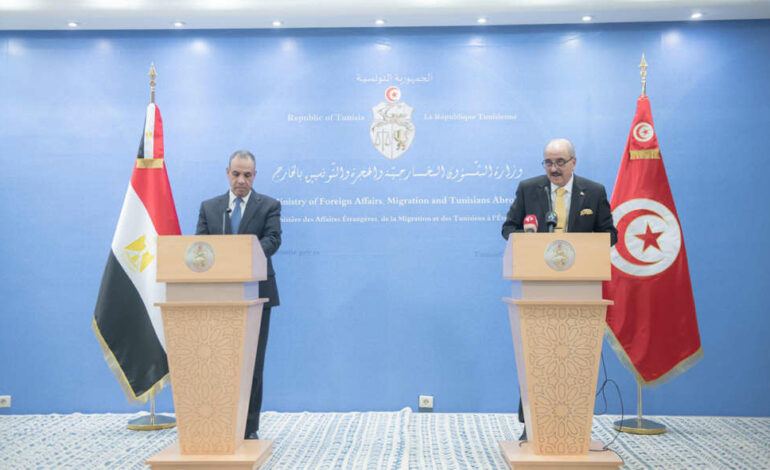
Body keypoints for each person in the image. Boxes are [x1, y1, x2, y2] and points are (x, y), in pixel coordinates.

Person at [500, 138, 617, 440]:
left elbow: (609, 234)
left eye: (560, 162)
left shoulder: (593, 191)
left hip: (580, 290)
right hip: (537, 288)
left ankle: (575, 428)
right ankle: (533, 427)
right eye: (548, 163)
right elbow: (508, 228)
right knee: (538, 357)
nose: (554, 169)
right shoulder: (529, 189)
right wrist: (528, 241)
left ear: (574, 162)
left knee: (573, 361)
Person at [196, 150, 282, 440]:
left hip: (257, 292)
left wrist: (242, 255)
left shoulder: (269, 205)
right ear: (227, 173)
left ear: (254, 176)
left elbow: (273, 240)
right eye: (236, 174)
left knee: (252, 362)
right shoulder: (211, 207)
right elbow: (200, 249)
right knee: (218, 361)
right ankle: (217, 421)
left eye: (247, 174)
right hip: (217, 295)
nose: (241, 180)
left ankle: (248, 427)